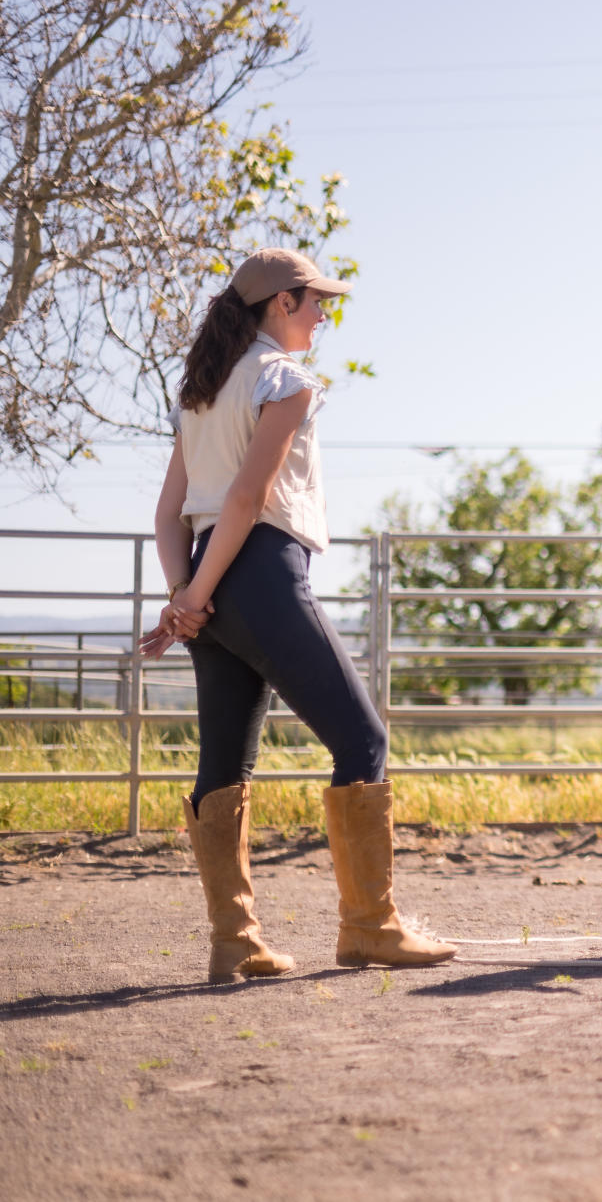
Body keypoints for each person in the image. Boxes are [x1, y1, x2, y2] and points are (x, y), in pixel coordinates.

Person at [142, 248, 454, 982]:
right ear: (281, 302)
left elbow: (168, 512)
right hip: (259, 572)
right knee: (362, 736)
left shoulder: (202, 392)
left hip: (208, 576)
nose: (324, 314)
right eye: (316, 302)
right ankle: (370, 927)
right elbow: (248, 503)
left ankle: (235, 941)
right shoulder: (286, 382)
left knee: (223, 761)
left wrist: (189, 594)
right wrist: (194, 596)